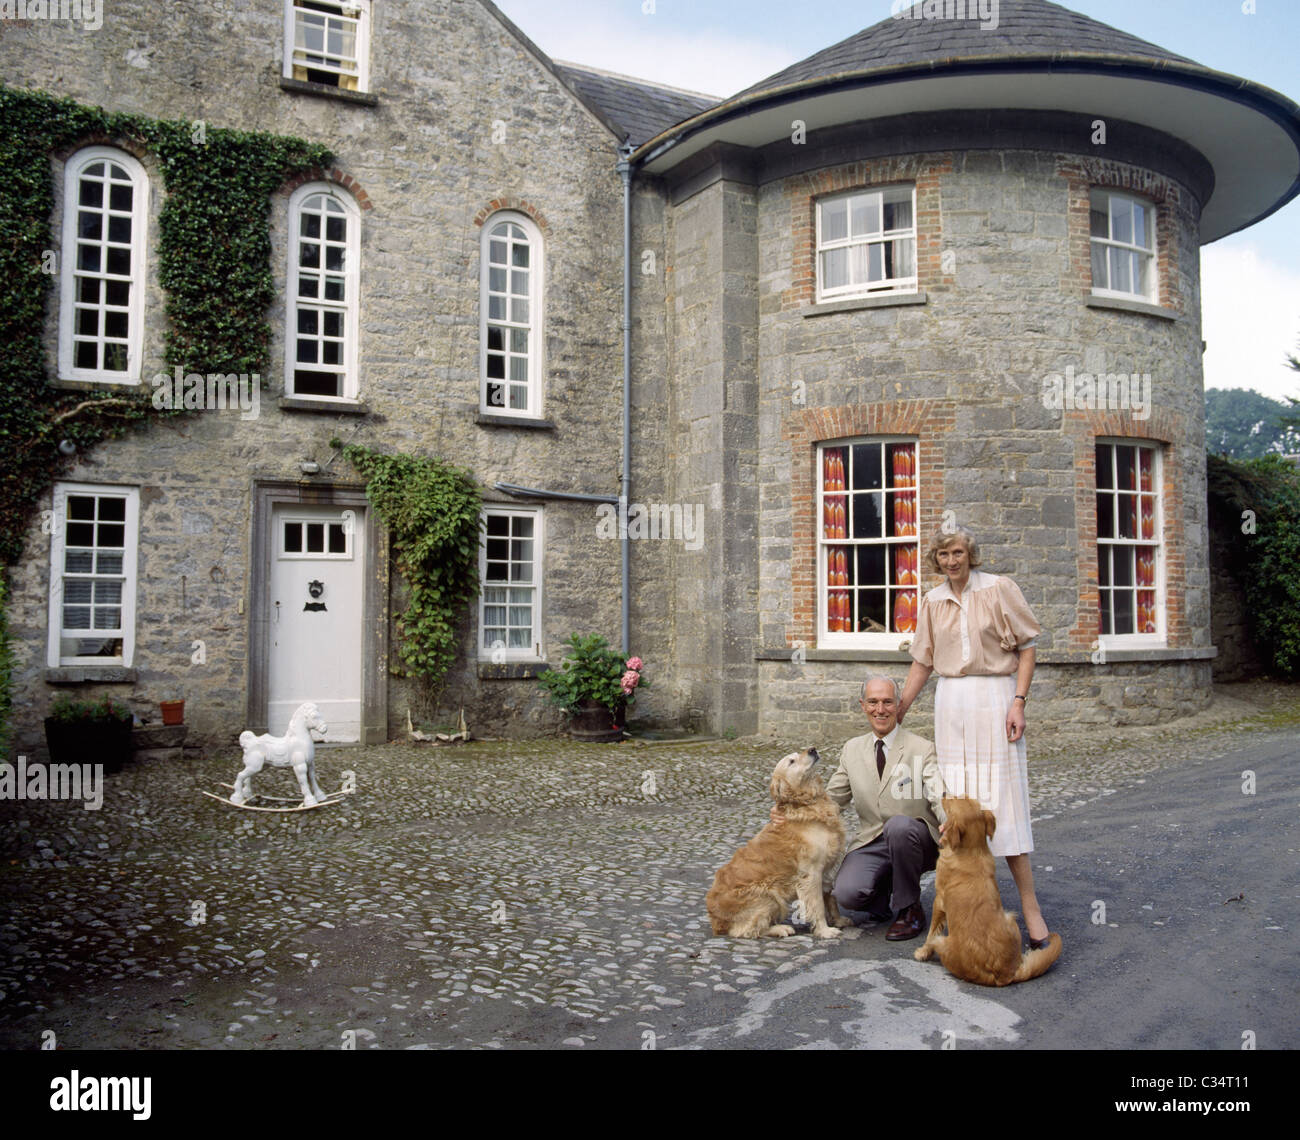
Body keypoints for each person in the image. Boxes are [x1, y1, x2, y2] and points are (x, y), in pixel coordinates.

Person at [897, 526, 1052, 948]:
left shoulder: (999, 589)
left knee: (1006, 805)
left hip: (996, 700)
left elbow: (1028, 647)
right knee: (960, 810)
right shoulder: (932, 601)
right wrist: (900, 707)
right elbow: (922, 663)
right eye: (944, 554)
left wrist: (1018, 702)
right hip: (952, 707)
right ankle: (971, 906)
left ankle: (1031, 910)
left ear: (971, 554)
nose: (952, 560)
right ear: (936, 560)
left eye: (958, 552)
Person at [823, 675, 947, 941]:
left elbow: (938, 792)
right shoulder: (852, 749)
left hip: (915, 839)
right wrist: (791, 815)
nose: (880, 709)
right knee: (847, 894)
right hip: (872, 840)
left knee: (899, 826)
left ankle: (909, 909)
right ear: (862, 705)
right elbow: (832, 799)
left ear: (899, 704)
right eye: (873, 702)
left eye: (888, 702)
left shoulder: (921, 748)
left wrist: (949, 821)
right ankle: (884, 893)